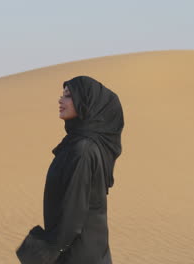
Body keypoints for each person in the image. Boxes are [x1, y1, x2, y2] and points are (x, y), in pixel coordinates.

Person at [16, 76, 124, 264]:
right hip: (83, 251)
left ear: (85, 102)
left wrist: (40, 254)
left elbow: (73, 212)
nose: (61, 100)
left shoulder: (83, 150)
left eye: (68, 96)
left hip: (78, 255)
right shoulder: (77, 144)